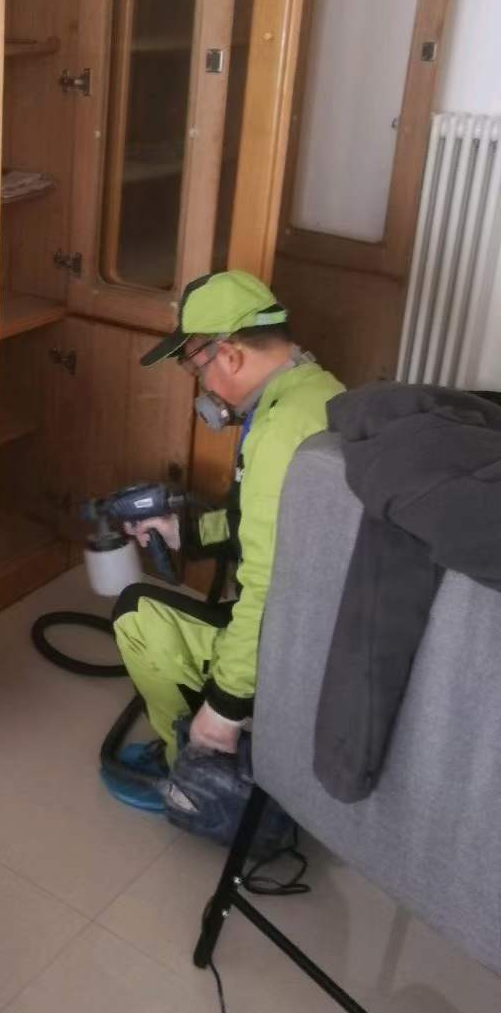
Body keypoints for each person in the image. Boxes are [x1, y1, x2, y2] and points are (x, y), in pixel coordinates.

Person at [111, 270, 344, 789]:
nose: (205, 389)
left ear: (231, 357)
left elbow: (269, 587)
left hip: (296, 648)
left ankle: (191, 775)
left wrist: (224, 708)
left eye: (199, 371)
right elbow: (264, 527)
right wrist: (185, 533)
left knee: (135, 614)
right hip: (327, 634)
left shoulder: (279, 434)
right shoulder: (316, 391)